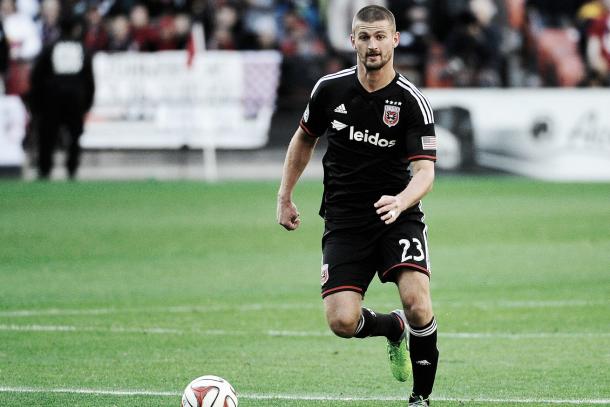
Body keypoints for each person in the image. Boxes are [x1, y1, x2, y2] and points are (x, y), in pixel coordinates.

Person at [277, 5, 438, 406]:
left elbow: (425, 173)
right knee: (342, 322)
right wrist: (285, 196)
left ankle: (421, 398)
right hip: (344, 221)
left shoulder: (411, 102)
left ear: (395, 40)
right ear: (352, 41)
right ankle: (391, 328)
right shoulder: (329, 90)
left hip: (397, 216)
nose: (373, 45)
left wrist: (401, 201)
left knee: (418, 302)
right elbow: (303, 139)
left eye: (380, 36)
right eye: (364, 37)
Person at [29, 15, 95, 180]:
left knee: (48, 136)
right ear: (75, 29)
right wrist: (87, 102)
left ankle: (45, 169)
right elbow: (89, 78)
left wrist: (36, 102)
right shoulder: (82, 49)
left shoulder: (50, 47)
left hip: (52, 98)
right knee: (74, 136)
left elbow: (37, 76)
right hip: (75, 99)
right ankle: (72, 169)